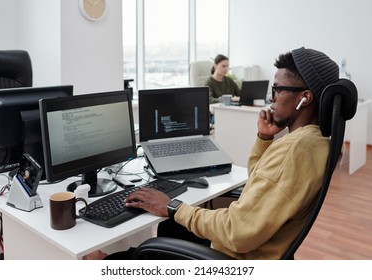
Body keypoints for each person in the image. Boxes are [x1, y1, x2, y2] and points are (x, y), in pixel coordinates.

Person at [85, 47, 339, 260]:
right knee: (171, 225)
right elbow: (260, 181)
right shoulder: (313, 142)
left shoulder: (294, 149)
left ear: (304, 98)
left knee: (139, 250)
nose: (271, 98)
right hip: (259, 244)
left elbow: (237, 232)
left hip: (234, 256)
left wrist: (171, 204)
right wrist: (264, 138)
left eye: (277, 90)